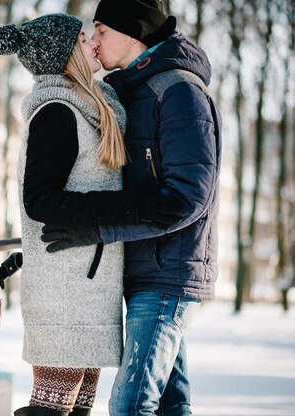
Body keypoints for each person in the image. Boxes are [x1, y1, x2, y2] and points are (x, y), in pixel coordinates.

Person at [0, 13, 184, 416]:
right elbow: (40, 201)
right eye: (83, 38)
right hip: (64, 291)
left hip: (91, 287)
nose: (93, 42)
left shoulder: (93, 107)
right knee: (51, 410)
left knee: (75, 410)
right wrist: (135, 208)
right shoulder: (56, 112)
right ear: (65, 54)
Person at [41, 1, 222, 415]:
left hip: (167, 274)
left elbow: (188, 197)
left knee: (130, 405)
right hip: (143, 269)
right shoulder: (133, 90)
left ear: (133, 32)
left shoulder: (178, 92)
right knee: (170, 407)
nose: (94, 39)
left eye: (102, 29)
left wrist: (99, 228)